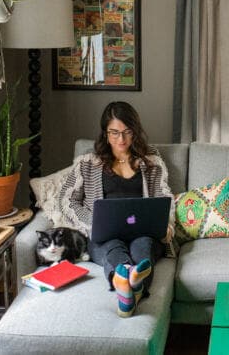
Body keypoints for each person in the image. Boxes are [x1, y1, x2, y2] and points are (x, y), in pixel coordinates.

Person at [58, 101, 174, 317]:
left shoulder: (152, 160)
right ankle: (130, 284)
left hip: (144, 233)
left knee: (143, 246)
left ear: (135, 132)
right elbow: (66, 200)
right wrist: (92, 222)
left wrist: (167, 223)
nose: (121, 140)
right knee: (112, 247)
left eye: (127, 132)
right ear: (105, 133)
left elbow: (164, 196)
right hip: (105, 236)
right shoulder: (87, 163)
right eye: (114, 133)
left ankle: (126, 290)